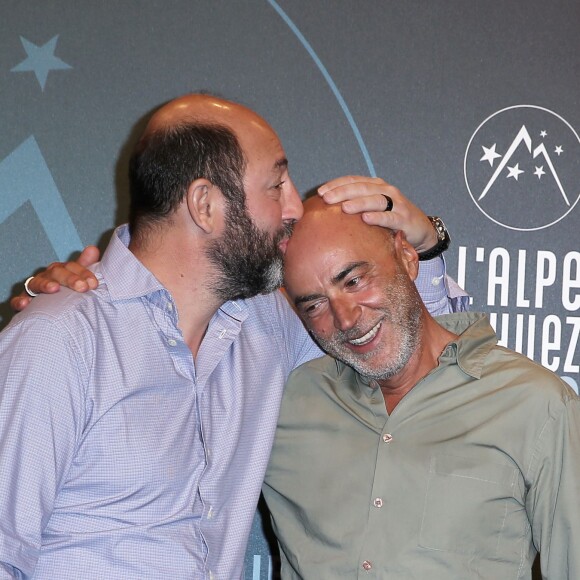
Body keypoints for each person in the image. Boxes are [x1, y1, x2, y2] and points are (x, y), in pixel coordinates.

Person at [0, 94, 465, 579]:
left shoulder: (267, 326)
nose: (294, 208)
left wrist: (425, 243)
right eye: (276, 185)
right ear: (205, 205)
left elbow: (414, 351)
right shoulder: (60, 340)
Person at [262, 195, 580, 579]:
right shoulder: (282, 405)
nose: (345, 320)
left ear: (408, 259)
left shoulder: (536, 404)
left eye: (354, 280)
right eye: (314, 305)